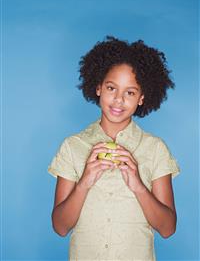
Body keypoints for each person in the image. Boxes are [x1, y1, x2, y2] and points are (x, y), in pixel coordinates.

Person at [48, 36, 180, 261]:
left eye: (130, 92)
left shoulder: (155, 148)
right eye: (111, 88)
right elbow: (60, 227)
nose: (118, 100)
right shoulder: (73, 146)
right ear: (98, 87)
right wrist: (85, 182)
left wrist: (138, 185)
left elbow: (167, 229)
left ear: (141, 98)